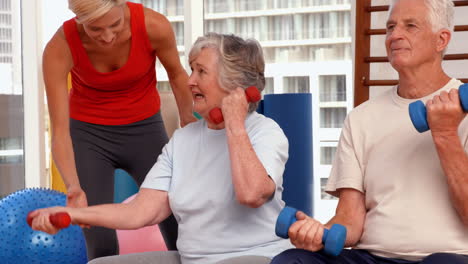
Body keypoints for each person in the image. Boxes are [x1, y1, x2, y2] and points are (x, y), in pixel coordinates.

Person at [31, 32, 293, 264]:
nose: (190, 81)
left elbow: (252, 194)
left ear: (235, 84)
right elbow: (141, 211)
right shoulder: (183, 140)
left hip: (258, 256)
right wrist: (73, 214)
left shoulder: (265, 132)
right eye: (191, 70)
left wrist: (235, 123)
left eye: (201, 72)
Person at [271, 0, 468, 263]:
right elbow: (350, 218)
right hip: (372, 257)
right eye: (390, 27)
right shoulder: (362, 118)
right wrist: (318, 232)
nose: (395, 35)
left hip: (448, 257)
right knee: (292, 260)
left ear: (441, 39)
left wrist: (445, 134)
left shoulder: (460, 108)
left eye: (410, 26)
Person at [43, 0, 196, 259]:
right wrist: (73, 188)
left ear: (124, 6)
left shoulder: (154, 26)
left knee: (180, 228)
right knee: (99, 239)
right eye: (95, 29)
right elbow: (59, 131)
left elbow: (178, 75)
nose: (108, 36)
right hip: (89, 135)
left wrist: (189, 124)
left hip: (145, 129)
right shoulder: (60, 48)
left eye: (115, 24)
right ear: (79, 20)